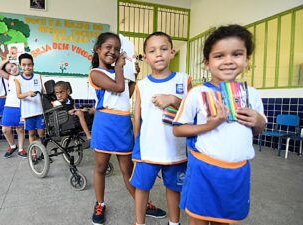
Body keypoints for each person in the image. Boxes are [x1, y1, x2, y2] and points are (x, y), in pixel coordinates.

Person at [173, 25, 267, 225]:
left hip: (238, 171)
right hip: (204, 169)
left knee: (227, 220)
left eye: (237, 54)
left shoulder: (252, 94)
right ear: (207, 63)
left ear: (247, 59)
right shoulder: (197, 94)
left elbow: (259, 129)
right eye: (219, 56)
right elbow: (178, 128)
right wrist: (209, 125)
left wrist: (258, 121)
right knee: (199, 218)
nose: (228, 61)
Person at [89, 32, 165, 225]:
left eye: (116, 49)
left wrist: (134, 76)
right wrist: (121, 68)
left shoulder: (119, 72)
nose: (113, 52)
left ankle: (144, 204)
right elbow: (117, 87)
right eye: (108, 47)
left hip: (122, 124)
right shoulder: (96, 73)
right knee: (100, 167)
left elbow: (125, 95)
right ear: (98, 49)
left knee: (127, 168)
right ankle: (100, 203)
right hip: (105, 124)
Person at [131, 32, 191, 225]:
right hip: (147, 147)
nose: (158, 54)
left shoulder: (184, 80)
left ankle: (174, 222)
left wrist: (173, 99)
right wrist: (136, 141)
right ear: (145, 57)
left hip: (175, 147)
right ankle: (139, 223)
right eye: (152, 50)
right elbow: (137, 116)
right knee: (142, 187)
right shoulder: (142, 85)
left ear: (172, 52)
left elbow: (194, 111)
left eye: (164, 49)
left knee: (174, 187)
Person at [0, 55, 26, 158]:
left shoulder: (25, 76)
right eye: (9, 70)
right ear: (8, 73)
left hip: (21, 105)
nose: (12, 69)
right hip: (9, 106)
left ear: (17, 65)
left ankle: (21, 149)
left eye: (12, 66)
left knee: (20, 129)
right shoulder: (10, 77)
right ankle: (13, 146)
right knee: (5, 130)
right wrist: (6, 60)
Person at [15, 53, 45, 149]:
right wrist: (28, 93)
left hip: (40, 111)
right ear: (20, 65)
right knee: (31, 133)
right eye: (24, 65)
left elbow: (43, 91)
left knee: (42, 132)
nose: (27, 67)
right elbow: (19, 95)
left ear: (33, 65)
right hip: (28, 113)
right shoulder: (18, 79)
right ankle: (34, 153)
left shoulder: (38, 76)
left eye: (29, 64)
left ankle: (43, 153)